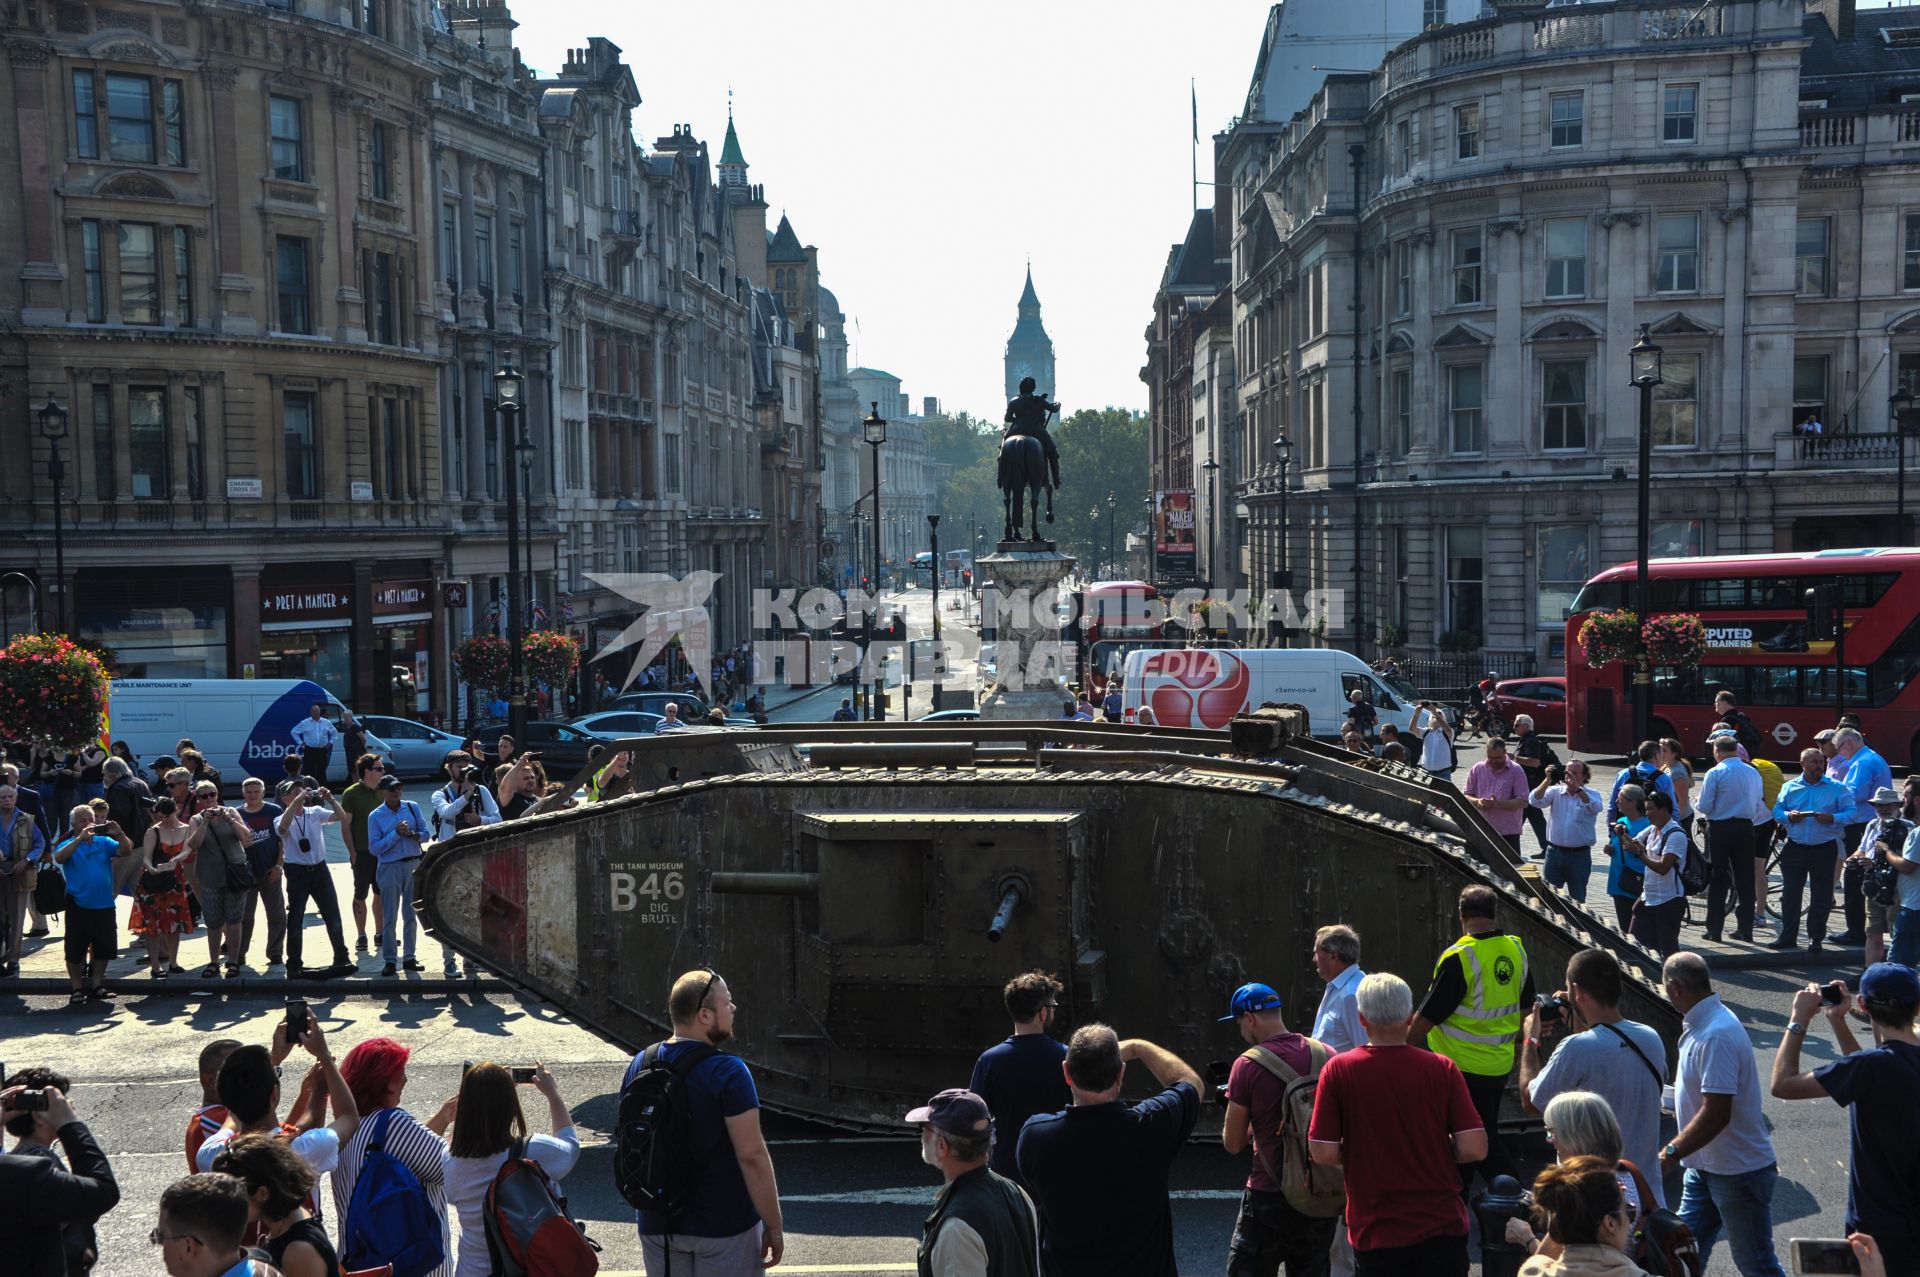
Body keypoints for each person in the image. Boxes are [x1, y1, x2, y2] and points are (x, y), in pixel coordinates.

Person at [1308, 972, 1486, 1277]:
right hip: (1442, 1226)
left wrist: (1361, 1152)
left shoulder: (1339, 1070)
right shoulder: (1442, 1068)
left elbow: (1322, 1152)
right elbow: (1474, 1148)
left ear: (1362, 1019)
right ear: (1409, 1017)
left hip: (1377, 1230)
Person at [628, 969, 785, 1274]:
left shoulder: (641, 1064)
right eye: (727, 1003)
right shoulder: (729, 1072)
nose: (734, 1009)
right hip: (723, 1227)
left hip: (657, 1224)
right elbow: (752, 1156)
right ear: (704, 1015)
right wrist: (774, 1227)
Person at [1015, 1025, 1201, 1277]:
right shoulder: (1152, 1126)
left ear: (1067, 1072)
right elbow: (1191, 1084)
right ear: (1121, 1074)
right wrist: (1138, 1046)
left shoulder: (1035, 1136)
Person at [1769, 963, 1920, 1272]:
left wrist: (1798, 1019)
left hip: (1878, 1230)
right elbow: (1867, 1073)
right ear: (1917, 1007)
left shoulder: (1871, 1067)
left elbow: (1783, 1085)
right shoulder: (1878, 1067)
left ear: (1863, 1005)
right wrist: (1837, 1022)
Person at [1658, 952, 1784, 1277]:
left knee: (1757, 1265)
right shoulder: (1706, 1023)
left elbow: (1716, 1114)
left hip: (1737, 1173)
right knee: (1681, 1255)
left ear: (1674, 987)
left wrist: (1671, 1152)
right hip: (1705, 1168)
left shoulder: (1715, 1034)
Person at [1518, 948, 1668, 1206]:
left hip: (1592, 1203)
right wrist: (1581, 1016)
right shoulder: (1650, 1038)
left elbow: (1531, 1102)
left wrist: (1531, 1038)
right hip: (1645, 1197)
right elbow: (1605, 1053)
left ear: (1576, 991)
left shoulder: (1577, 1048)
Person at [1409, 885, 1531, 1189]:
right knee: (1476, 1133)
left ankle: (1514, 1196)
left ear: (1460, 914)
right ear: (1494, 914)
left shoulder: (1460, 957)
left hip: (1460, 1068)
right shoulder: (1515, 949)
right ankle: (1472, 1195)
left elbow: (1428, 1015)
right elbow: (1527, 1006)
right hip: (1498, 1066)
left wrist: (1401, 1046)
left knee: (1472, 1138)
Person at [1218, 982, 1339, 1276]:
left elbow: (1233, 1143)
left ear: (1250, 1018)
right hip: (1319, 1193)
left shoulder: (1246, 1066)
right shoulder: (1327, 1055)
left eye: (1238, 1022)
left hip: (1268, 1195)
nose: (1241, 1030)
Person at [442, 1062, 578, 1277]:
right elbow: (570, 1147)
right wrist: (553, 1094)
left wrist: (480, 1098)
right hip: (530, 1268)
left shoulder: (451, 1161)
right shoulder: (534, 1150)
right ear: (510, 1106)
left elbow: (461, 1142)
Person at [333, 1037, 453, 1277]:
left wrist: (444, 1116)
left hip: (359, 1262)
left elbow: (409, 1157)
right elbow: (454, 1171)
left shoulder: (344, 1129)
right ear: (385, 1082)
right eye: (401, 1073)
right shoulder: (392, 1123)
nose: (406, 1079)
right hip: (409, 1265)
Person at [907, 1088, 1042, 1277]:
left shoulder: (956, 1229)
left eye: (925, 1128)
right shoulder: (1017, 1193)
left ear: (942, 1146)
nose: (922, 1135)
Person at [0, 1072, 119, 1277]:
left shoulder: (15, 1158)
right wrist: (69, 1125)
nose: (70, 1107)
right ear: (39, 1116)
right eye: (62, 1103)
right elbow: (97, 1196)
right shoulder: (36, 1166)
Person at [968, 970, 1069, 1188]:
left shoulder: (989, 1061)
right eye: (1052, 1007)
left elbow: (976, 1119)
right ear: (1043, 1013)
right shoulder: (1066, 1057)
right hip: (1056, 1167)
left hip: (1007, 1172)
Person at [211, 1133, 343, 1277]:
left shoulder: (298, 1252)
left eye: (234, 1197)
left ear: (262, 1193)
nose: (227, 1207)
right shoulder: (286, 1221)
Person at [1771, 745, 1854, 953]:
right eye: (1814, 762)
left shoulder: (1836, 787)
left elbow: (1852, 812)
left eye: (1821, 762)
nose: (1819, 766)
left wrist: (1833, 818)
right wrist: (1789, 816)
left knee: (1822, 896)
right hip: (1795, 848)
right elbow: (1777, 810)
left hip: (1824, 849)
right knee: (1790, 894)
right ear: (1803, 764)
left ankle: (1815, 938)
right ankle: (1788, 936)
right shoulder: (1790, 787)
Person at [1516, 1155, 1654, 1277]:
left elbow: (1540, 1258)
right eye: (1629, 1211)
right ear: (1610, 1224)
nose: (1630, 1220)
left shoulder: (1532, 1272)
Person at [52, 805, 133, 1005]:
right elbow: (60, 858)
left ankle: (97, 984)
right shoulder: (69, 843)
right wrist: (79, 839)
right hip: (78, 904)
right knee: (74, 949)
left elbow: (126, 850)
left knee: (103, 948)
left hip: (103, 903)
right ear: (73, 825)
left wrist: (120, 833)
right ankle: (76, 987)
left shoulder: (103, 841)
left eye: (90, 819)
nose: (88, 823)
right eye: (82, 820)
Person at [277, 780, 354, 978]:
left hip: (320, 870)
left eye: (300, 789)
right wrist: (296, 802)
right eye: (293, 792)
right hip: (296, 872)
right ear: (285, 798)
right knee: (295, 919)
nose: (299, 792)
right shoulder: (281, 817)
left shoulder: (315, 812)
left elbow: (341, 816)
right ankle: (294, 964)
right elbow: (283, 829)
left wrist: (331, 799)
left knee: (332, 915)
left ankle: (341, 957)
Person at [1695, 736, 1762, 942]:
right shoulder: (1752, 772)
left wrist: (1698, 802)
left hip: (1720, 828)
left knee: (1718, 878)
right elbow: (1758, 804)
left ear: (1718, 751)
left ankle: (1714, 930)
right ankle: (1745, 928)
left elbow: (1705, 806)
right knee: (1745, 879)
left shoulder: (1715, 772)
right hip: (1746, 827)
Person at [1832, 727, 1892, 947]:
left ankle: (1855, 931)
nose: (1840, 754)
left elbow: (1854, 793)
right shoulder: (1874, 757)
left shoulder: (1861, 762)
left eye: (1839, 749)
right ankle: (1864, 928)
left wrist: (1834, 791)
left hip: (1859, 825)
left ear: (1847, 743)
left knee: (1854, 878)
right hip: (1869, 823)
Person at [187, 782, 254, 978]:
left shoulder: (231, 812)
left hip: (234, 874)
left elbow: (246, 837)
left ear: (217, 794)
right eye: (204, 796)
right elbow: (194, 844)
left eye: (212, 794)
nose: (209, 799)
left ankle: (233, 961)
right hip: (210, 876)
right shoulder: (196, 819)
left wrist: (231, 821)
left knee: (234, 919)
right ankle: (214, 962)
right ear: (199, 799)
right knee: (213, 921)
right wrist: (205, 823)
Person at [366, 775, 429, 975]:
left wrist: (413, 835)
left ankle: (409, 957)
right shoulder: (375, 816)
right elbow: (375, 849)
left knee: (411, 914)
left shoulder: (412, 807)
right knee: (390, 917)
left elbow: (426, 833)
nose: (396, 793)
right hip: (389, 867)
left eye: (399, 789)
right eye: (392, 789)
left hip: (412, 864)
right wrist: (395, 834)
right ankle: (390, 960)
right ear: (383, 792)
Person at [132, 796, 195, 979]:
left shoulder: (185, 829)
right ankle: (155, 965)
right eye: (160, 816)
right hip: (153, 883)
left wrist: (176, 859)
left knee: (174, 925)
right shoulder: (154, 831)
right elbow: (146, 857)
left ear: (175, 811)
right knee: (152, 926)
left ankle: (173, 962)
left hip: (174, 882)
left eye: (166, 815)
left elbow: (187, 850)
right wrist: (151, 868)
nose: (163, 819)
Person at [1849, 788, 1909, 968]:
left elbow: (1908, 861)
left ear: (1898, 805)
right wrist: (1855, 858)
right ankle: (1871, 975)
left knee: (1896, 935)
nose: (1883, 809)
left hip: (1896, 889)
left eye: (1888, 805)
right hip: (1873, 886)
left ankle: (1897, 976)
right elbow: (1862, 848)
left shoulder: (1907, 827)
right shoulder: (1873, 824)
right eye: (1879, 805)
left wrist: (1875, 862)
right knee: (1872, 933)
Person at [1529, 761, 1602, 902]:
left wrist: (1578, 789)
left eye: (1574, 773)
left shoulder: (1593, 794)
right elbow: (1534, 801)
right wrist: (1547, 780)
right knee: (1550, 897)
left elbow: (1595, 808)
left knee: (1578, 897)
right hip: (1554, 853)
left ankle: (1579, 923)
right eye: (1567, 772)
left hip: (1579, 856)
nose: (1570, 777)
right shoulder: (1555, 792)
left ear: (1584, 776)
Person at [1627, 791, 1689, 959]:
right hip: (1648, 897)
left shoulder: (1676, 835)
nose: (1647, 814)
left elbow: (1663, 868)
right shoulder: (1653, 829)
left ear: (1664, 810)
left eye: (1650, 809)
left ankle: (1675, 982)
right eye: (1646, 809)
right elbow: (1631, 844)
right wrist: (1621, 832)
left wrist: (1640, 853)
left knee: (1668, 950)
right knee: (1633, 943)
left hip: (1668, 900)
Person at [337, 755, 387, 957]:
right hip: (362, 853)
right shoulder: (351, 793)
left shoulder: (384, 790)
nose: (383, 772)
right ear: (367, 771)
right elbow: (345, 825)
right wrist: (352, 852)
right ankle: (361, 934)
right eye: (379, 768)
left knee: (380, 892)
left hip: (383, 852)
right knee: (360, 893)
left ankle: (380, 933)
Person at [236, 779, 286, 971]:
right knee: (244, 917)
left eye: (256, 791)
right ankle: (239, 954)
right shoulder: (237, 813)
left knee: (276, 914)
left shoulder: (274, 811)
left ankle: (275, 953)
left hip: (270, 870)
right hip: (245, 873)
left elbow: (284, 841)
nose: (253, 795)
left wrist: (279, 866)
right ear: (243, 793)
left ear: (263, 792)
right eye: (249, 792)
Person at [0, 782, 47, 977]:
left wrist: (27, 860)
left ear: (16, 798)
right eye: (2, 797)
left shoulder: (26, 819)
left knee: (17, 918)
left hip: (20, 872)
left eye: (10, 797)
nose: (7, 801)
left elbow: (40, 843)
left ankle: (14, 960)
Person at [1464, 737, 1531, 857]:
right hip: (1481, 829)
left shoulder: (1516, 770)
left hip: (1507, 832)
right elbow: (1466, 796)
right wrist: (1478, 801)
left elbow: (1523, 802)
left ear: (1505, 752)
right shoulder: (1477, 769)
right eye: (1490, 757)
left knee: (1509, 872)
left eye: (1498, 758)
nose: (1494, 761)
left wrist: (1497, 804)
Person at [185, 1039, 243, 1174]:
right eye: (238, 1071)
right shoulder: (214, 1120)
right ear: (210, 1080)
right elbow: (283, 1145)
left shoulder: (208, 1116)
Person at [1311, 925, 1368, 1053]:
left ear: (1333, 956)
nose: (1314, 959)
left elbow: (1364, 1050)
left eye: (1316, 953)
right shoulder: (1337, 986)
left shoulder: (1351, 995)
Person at [1602, 785, 1650, 934]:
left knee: (1637, 929)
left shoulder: (1648, 825)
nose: (1616, 801)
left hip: (1636, 881)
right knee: (1624, 927)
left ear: (1633, 802)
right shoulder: (1621, 821)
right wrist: (1610, 850)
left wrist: (1635, 849)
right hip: (1618, 881)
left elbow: (1651, 853)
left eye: (1620, 799)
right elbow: (1617, 846)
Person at [1003, 375, 1063, 490]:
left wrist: (1018, 420)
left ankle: (1001, 477)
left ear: (1021, 388)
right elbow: (1053, 409)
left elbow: (1007, 418)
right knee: (1052, 452)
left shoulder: (1014, 402)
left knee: (1003, 448)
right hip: (1036, 431)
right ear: (1033, 388)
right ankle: (1056, 479)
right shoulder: (1039, 401)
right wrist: (1057, 405)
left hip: (1016, 430)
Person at [1511, 716, 1557, 855]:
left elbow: (1535, 762)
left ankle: (1511, 848)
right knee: (1534, 816)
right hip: (1528, 784)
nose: (1514, 727)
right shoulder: (1526, 740)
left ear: (1526, 726)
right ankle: (1547, 847)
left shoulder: (1530, 741)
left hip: (1529, 784)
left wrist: (1514, 758)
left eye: (1517, 725)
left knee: (1519, 816)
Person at [430, 753, 500, 842]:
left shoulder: (481, 790)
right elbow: (446, 813)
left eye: (467, 768)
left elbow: (498, 820)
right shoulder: (440, 794)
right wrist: (467, 795)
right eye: (459, 767)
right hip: (450, 849)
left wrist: (480, 820)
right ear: (449, 768)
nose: (464, 771)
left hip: (475, 846)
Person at [1606, 742, 1675, 826]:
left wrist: (1611, 827)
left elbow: (1612, 805)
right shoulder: (1663, 778)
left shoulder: (1623, 774)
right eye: (1661, 755)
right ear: (1656, 756)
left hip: (1625, 827)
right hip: (1652, 828)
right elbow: (1672, 808)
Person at [290, 704, 338, 784]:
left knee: (321, 772)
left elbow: (334, 733)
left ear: (320, 712)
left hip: (322, 750)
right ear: (310, 712)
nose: (315, 712)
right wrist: (301, 743)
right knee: (309, 772)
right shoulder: (305, 722)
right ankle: (308, 792)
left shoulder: (326, 722)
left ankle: (321, 791)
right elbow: (293, 732)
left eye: (317, 711)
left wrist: (330, 743)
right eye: (313, 711)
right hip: (309, 750)